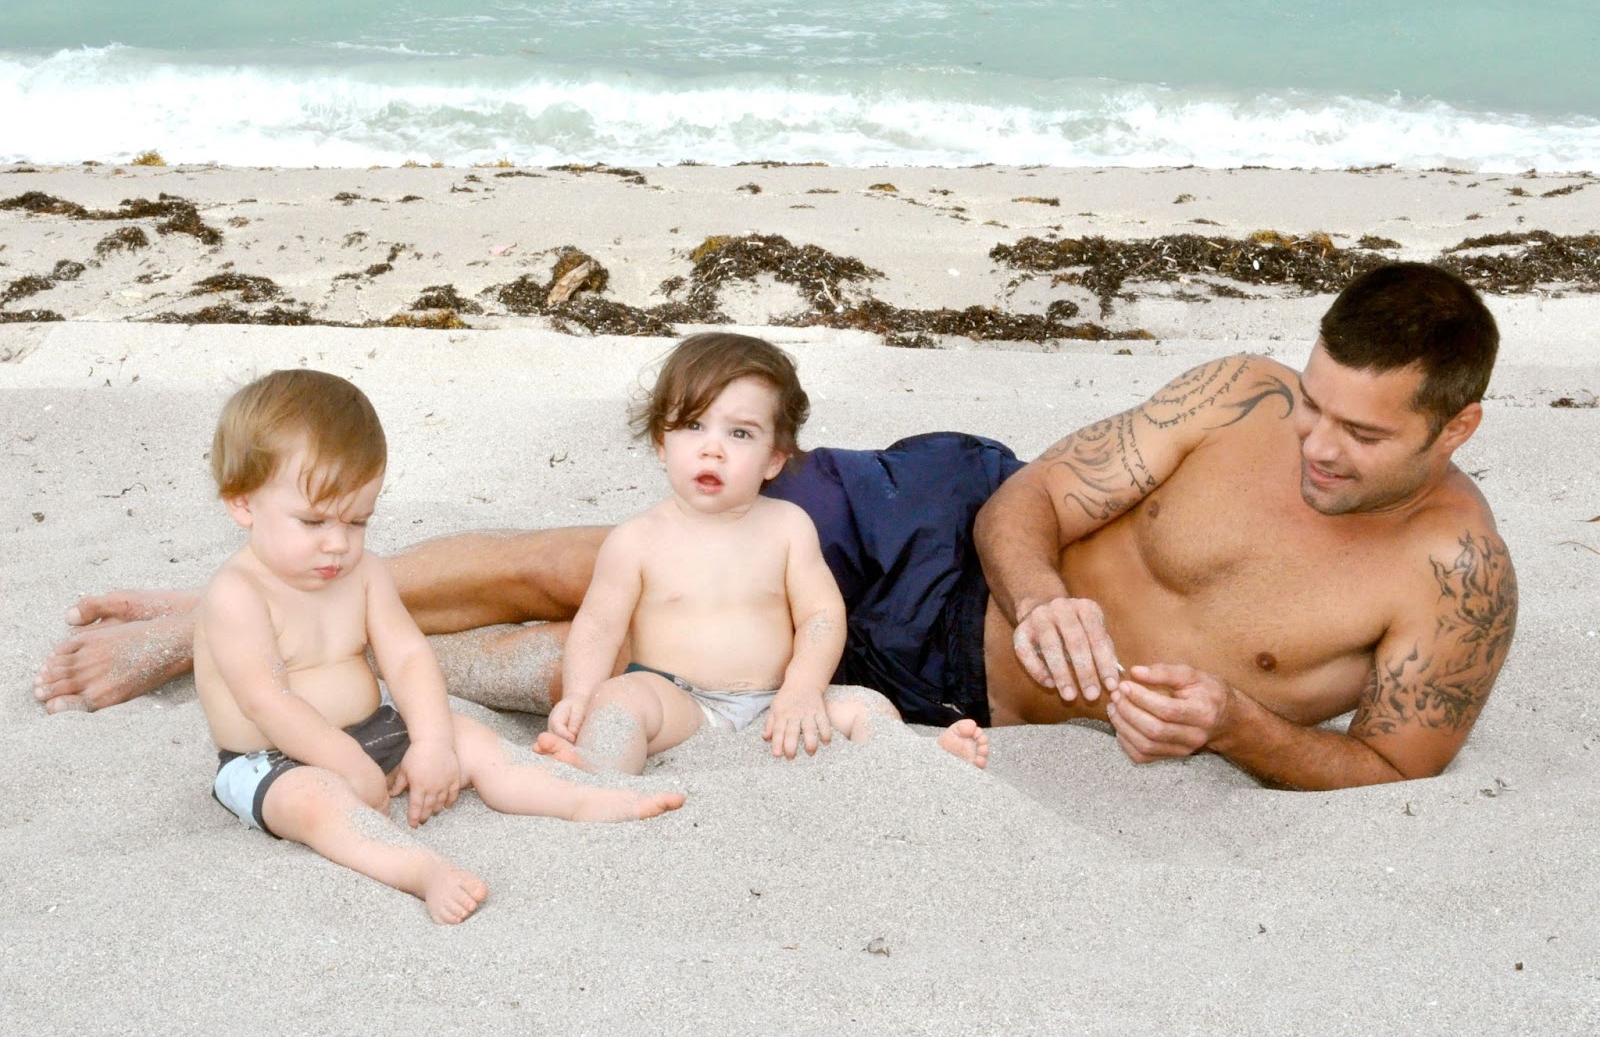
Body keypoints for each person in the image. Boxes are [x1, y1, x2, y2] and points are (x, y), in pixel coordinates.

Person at [35, 264, 1517, 791]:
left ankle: (289, 626)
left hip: (944, 685)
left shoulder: (1455, 582)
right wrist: (1044, 582)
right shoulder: (1237, 397)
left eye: (1362, 431)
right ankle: (206, 608)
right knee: (609, 559)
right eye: (1318, 401)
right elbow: (1034, 495)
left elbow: (1396, 755)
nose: (1315, 443)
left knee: (600, 660)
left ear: (1455, 427)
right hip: (938, 525)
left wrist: (1236, 727)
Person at [193, 370, 682, 925]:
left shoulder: (364, 572)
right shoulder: (238, 593)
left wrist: (429, 743)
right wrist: (345, 761)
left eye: (358, 521)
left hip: (373, 726)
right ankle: (421, 871)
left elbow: (406, 657)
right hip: (272, 760)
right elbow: (267, 700)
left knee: (471, 738)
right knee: (317, 805)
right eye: (312, 521)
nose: (337, 543)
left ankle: (582, 795)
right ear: (243, 505)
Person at [531, 333, 989, 773]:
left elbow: (821, 616)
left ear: (774, 459)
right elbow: (598, 627)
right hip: (678, 701)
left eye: (741, 434)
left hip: (779, 702)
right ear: (660, 442)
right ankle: (599, 771)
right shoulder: (635, 540)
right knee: (619, 703)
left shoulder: (788, 527)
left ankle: (917, 765)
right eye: (693, 425)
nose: (713, 449)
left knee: (867, 706)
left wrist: (804, 689)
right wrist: (580, 695)